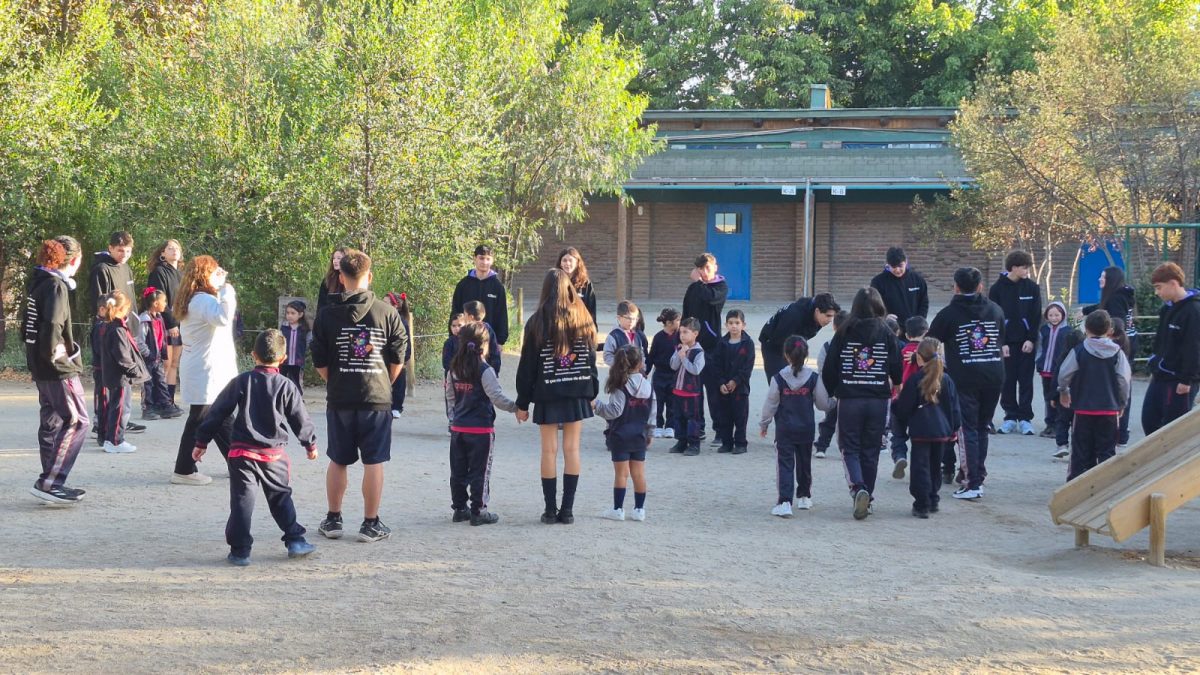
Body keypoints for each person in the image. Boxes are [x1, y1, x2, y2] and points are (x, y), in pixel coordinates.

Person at [192, 329, 319, 566]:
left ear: (253, 355)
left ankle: (240, 551)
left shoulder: (241, 381)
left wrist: (202, 442)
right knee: (281, 498)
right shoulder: (287, 385)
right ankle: (295, 540)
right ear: (282, 359)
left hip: (241, 454)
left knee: (241, 503)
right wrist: (309, 443)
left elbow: (217, 412)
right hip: (274, 456)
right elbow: (300, 418)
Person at [311, 249, 409, 543]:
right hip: (376, 398)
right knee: (374, 461)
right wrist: (383, 383)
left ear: (341, 278)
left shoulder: (327, 315)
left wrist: (339, 381)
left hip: (340, 397)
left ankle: (333, 519)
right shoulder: (388, 312)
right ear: (370, 276)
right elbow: (398, 360)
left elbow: (320, 363)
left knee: (338, 459)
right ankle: (371, 523)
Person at [515, 269, 598, 525]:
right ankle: (568, 511)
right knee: (572, 449)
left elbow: (527, 365)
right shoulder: (584, 317)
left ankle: (550, 510)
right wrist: (592, 391)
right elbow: (591, 360)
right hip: (576, 392)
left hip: (547, 392)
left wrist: (522, 401)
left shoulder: (536, 321)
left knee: (548, 451)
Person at [821, 287, 903, 520]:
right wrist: (896, 382)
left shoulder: (844, 331)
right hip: (878, 399)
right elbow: (896, 363)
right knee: (871, 449)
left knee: (849, 447)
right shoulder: (886, 332)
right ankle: (869, 496)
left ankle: (858, 488)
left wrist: (834, 390)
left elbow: (830, 367)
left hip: (850, 398)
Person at [23, 236, 91, 504]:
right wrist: (56, 358)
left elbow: (28, 327)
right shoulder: (55, 286)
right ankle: (50, 482)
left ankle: (49, 479)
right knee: (77, 421)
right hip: (55, 367)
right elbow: (51, 325)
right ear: (73, 260)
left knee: (52, 421)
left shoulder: (38, 282)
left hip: (40, 365)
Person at [928, 267, 1005, 500]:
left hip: (965, 378)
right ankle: (976, 474)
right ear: (981, 286)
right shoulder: (995, 309)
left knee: (967, 428)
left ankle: (972, 482)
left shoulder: (948, 314)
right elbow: (1000, 336)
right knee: (982, 427)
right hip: (994, 374)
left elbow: (930, 343)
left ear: (956, 287)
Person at [171, 255, 239, 486]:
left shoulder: (198, 299)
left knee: (222, 416)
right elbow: (222, 317)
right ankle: (183, 469)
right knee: (200, 418)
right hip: (205, 369)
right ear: (204, 275)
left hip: (205, 367)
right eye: (214, 271)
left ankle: (237, 463)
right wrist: (227, 289)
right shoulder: (201, 300)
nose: (219, 274)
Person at [444, 322, 519, 526]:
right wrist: (516, 407)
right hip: (481, 429)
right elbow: (496, 397)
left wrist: (453, 418)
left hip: (458, 428)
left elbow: (450, 396)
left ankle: (459, 508)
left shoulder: (454, 369)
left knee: (458, 470)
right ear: (484, 346)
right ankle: (479, 510)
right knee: (480, 471)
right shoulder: (485, 369)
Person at [760, 336, 833, 517]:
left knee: (785, 464)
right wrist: (834, 402)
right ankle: (804, 496)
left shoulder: (778, 378)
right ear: (806, 354)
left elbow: (771, 403)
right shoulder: (813, 378)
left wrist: (764, 423)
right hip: (806, 427)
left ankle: (785, 501)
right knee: (804, 462)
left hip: (785, 429)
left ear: (786, 355)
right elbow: (823, 404)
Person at [1059, 310, 1132, 481]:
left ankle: (1075, 486)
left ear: (1086, 329)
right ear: (1109, 330)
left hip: (1084, 409)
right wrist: (1122, 404)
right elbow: (1123, 381)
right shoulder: (1117, 353)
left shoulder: (1079, 350)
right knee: (1107, 452)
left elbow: (1064, 374)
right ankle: (1105, 487)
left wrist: (1063, 391)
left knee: (1079, 452)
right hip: (1108, 410)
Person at [893, 337, 961, 518]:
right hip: (942, 431)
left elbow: (904, 408)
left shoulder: (916, 379)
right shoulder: (946, 380)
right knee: (934, 465)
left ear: (919, 357)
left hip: (921, 430)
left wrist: (896, 409)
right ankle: (933, 498)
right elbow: (954, 408)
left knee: (920, 467)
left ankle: (921, 503)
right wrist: (953, 428)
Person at [89, 230, 147, 436]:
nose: (124, 254)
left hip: (127, 328)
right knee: (106, 378)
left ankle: (123, 418)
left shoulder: (126, 267)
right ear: (111, 248)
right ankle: (101, 420)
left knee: (125, 379)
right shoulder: (101, 269)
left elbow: (129, 298)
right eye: (120, 250)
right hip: (109, 331)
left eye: (128, 251)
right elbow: (99, 304)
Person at [593, 344, 654, 522]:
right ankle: (639, 509)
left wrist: (597, 406)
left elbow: (614, 411)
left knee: (621, 474)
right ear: (640, 363)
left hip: (620, 435)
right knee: (639, 473)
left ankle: (618, 509)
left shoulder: (620, 386)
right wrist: (650, 432)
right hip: (639, 434)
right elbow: (653, 412)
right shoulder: (648, 385)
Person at [1142, 262, 1200, 435]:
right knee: (1149, 420)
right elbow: (1160, 342)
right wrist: (1154, 364)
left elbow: (1194, 347)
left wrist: (1186, 379)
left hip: (1179, 380)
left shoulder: (1193, 311)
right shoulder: (1166, 309)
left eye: (1159, 288)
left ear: (1173, 283)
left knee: (1172, 429)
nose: (1157, 293)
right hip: (1160, 375)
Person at [989, 250, 1042, 435]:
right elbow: (993, 318)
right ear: (1014, 268)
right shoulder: (997, 289)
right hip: (1006, 344)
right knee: (1008, 380)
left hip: (1026, 343)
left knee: (1026, 380)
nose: (1027, 270)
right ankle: (1010, 416)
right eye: (1024, 267)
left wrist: (1031, 339)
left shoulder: (1033, 288)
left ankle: (1025, 418)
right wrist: (1000, 342)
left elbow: (1036, 317)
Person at [681, 253, 729, 435]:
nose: (704, 272)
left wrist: (699, 283)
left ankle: (720, 430)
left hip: (711, 346)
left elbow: (710, 298)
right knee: (694, 390)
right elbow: (686, 312)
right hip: (693, 346)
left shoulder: (720, 287)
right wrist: (683, 337)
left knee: (713, 390)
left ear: (715, 267)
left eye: (707, 268)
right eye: (700, 269)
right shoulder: (694, 288)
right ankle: (697, 428)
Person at [758, 293, 840, 385]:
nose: (830, 320)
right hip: (773, 343)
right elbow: (781, 340)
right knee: (780, 383)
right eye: (828, 316)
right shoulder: (795, 316)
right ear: (817, 311)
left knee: (796, 378)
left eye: (832, 316)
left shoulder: (817, 316)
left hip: (792, 340)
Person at [146, 239, 184, 410]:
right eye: (170, 248)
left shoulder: (182, 274)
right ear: (162, 253)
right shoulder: (159, 272)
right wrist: (171, 324)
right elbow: (160, 302)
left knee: (175, 363)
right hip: (165, 324)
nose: (174, 250)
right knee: (165, 363)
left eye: (177, 248)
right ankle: (157, 400)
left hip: (181, 323)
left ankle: (169, 400)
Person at [889, 315, 928, 479]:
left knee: (898, 434)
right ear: (926, 332)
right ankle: (920, 467)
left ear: (905, 335)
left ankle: (900, 456)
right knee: (920, 437)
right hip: (921, 402)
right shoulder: (928, 354)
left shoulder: (900, 351)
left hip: (899, 398)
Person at [451, 244, 509, 346]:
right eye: (481, 258)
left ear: (492, 260)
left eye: (488, 259)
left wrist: (500, 342)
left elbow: (502, 315)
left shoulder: (497, 287)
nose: (484, 262)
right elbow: (455, 312)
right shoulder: (463, 285)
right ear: (475, 258)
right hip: (464, 341)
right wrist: (454, 338)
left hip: (489, 342)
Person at [715, 309, 755, 454]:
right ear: (726, 325)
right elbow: (716, 365)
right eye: (731, 323)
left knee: (740, 417)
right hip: (724, 388)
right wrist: (721, 382)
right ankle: (726, 443)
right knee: (725, 416)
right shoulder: (722, 343)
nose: (734, 326)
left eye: (737, 323)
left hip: (741, 388)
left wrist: (736, 381)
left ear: (743, 325)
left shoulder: (748, 343)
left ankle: (740, 443)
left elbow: (748, 366)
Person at [813, 309, 849, 458]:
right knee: (849, 422)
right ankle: (847, 448)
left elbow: (822, 367)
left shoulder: (828, 345)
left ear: (834, 326)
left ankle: (821, 446)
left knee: (830, 420)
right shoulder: (854, 345)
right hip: (850, 389)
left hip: (834, 390)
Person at [138, 288, 177, 420]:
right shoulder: (144, 319)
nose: (165, 304)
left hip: (158, 357)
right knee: (147, 383)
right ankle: (148, 408)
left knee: (161, 381)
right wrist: (148, 353)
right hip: (148, 358)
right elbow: (140, 340)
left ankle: (165, 405)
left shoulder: (159, 318)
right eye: (164, 301)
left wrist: (162, 351)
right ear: (155, 303)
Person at [669, 318, 706, 456]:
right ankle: (681, 442)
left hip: (691, 393)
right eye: (680, 332)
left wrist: (684, 357)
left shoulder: (699, 352)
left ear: (695, 333)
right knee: (678, 418)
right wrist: (679, 355)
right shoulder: (679, 348)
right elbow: (673, 366)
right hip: (678, 391)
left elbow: (696, 370)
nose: (682, 335)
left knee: (692, 419)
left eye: (686, 332)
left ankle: (694, 444)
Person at [869, 246, 929, 325]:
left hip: (912, 328)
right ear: (888, 265)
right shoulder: (878, 282)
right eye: (893, 267)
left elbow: (924, 303)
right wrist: (884, 316)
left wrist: (919, 320)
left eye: (900, 266)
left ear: (906, 262)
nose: (897, 270)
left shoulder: (918, 280)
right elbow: (872, 304)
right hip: (888, 328)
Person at [1082, 265, 1137, 352]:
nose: (1099, 279)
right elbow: (1104, 305)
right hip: (1129, 339)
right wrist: (1084, 311)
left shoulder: (1116, 298)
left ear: (1111, 280)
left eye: (1103, 277)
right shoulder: (1120, 295)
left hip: (1120, 343)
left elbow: (1119, 322)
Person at [1036, 302, 1070, 438]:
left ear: (1063, 315)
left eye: (1057, 315)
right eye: (1050, 315)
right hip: (1045, 370)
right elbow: (1039, 348)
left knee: (1057, 398)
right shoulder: (1043, 330)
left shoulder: (1068, 331)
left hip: (1060, 372)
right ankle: (1049, 424)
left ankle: (1058, 425)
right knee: (1047, 397)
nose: (1054, 318)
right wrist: (1038, 361)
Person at [1051, 328, 1085, 461]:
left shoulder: (1062, 358)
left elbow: (1056, 379)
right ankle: (1077, 447)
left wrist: (1053, 396)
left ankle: (1061, 444)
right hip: (1080, 396)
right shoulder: (1083, 356)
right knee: (1078, 424)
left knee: (1062, 421)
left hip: (1063, 395)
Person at [646, 308, 680, 439]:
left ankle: (670, 426)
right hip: (659, 374)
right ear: (669, 322)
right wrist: (646, 371)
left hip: (674, 375)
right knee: (658, 402)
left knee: (672, 402)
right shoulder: (659, 337)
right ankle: (659, 426)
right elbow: (651, 356)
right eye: (677, 320)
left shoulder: (679, 336)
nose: (679, 322)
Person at [386, 292, 414, 418]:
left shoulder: (402, 322)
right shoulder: (382, 319)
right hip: (384, 357)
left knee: (398, 382)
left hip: (398, 356)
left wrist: (405, 358)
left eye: (386, 303)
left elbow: (406, 342)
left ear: (395, 306)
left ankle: (397, 407)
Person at [603, 300, 649, 369]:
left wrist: (642, 367)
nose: (631, 321)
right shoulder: (614, 336)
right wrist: (621, 364)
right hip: (620, 374)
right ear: (619, 318)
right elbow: (607, 356)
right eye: (628, 318)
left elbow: (641, 354)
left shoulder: (638, 336)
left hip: (636, 373)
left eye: (634, 319)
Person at [559, 247, 597, 328]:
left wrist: (593, 329)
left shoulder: (586, 284)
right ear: (560, 263)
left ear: (577, 262)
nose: (567, 263)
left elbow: (591, 310)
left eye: (570, 260)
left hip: (580, 327)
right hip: (560, 328)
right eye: (564, 260)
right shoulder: (555, 282)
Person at [462, 300, 502, 373]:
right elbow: (495, 352)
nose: (463, 317)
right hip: (481, 370)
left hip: (481, 369)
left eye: (465, 314)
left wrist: (494, 370)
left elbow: (494, 351)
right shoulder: (489, 329)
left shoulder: (466, 331)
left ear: (471, 317)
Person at [280, 300, 311, 395]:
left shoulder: (304, 330)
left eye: (293, 313)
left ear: (300, 314)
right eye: (288, 313)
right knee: (281, 381)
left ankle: (297, 399)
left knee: (296, 381)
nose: (289, 315)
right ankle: (281, 398)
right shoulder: (283, 328)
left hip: (297, 362)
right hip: (284, 361)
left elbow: (309, 343)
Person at [316, 247, 347, 313]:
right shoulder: (328, 280)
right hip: (329, 317)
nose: (335, 261)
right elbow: (321, 304)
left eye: (339, 258)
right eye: (333, 258)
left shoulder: (352, 279)